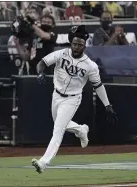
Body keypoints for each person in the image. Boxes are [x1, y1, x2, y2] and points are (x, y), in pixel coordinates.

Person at [31, 25, 118, 174]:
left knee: (57, 130)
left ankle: (43, 162)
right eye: (75, 44)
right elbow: (42, 63)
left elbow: (98, 85)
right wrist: (40, 73)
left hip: (72, 99)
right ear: (71, 43)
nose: (77, 47)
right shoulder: (61, 54)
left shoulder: (90, 66)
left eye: (80, 44)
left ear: (85, 45)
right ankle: (81, 130)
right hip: (56, 94)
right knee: (60, 123)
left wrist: (108, 105)